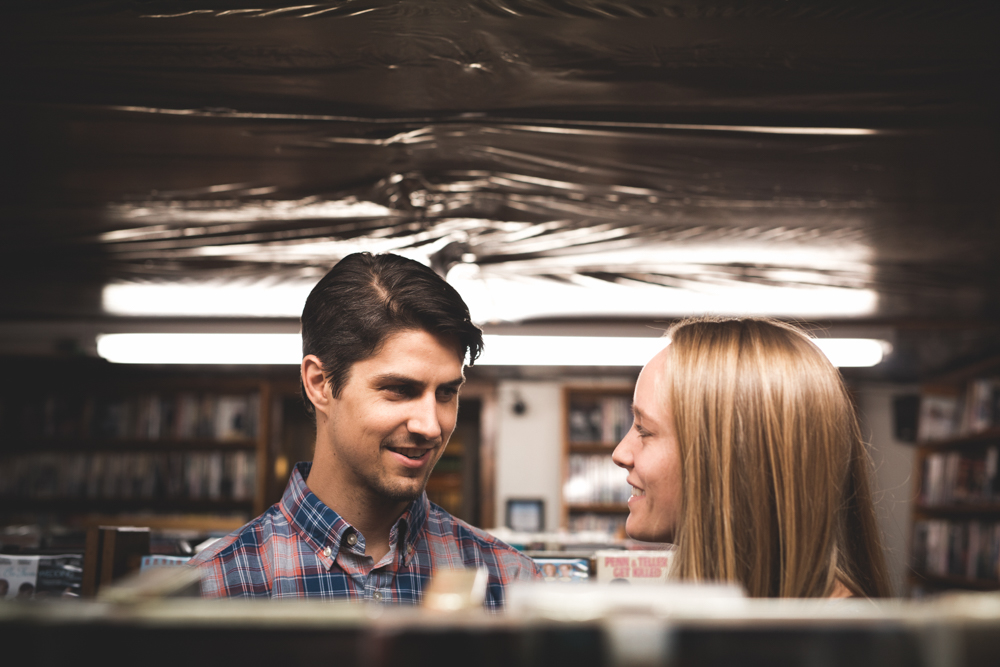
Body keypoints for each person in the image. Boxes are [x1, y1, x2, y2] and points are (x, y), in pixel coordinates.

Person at [192, 252, 541, 608]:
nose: (431, 426)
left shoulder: (510, 582)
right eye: (400, 390)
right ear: (320, 383)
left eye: (446, 393)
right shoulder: (215, 588)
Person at [612, 316, 891, 598]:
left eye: (644, 430)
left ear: (731, 458)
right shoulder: (741, 609)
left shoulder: (842, 640)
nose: (619, 453)